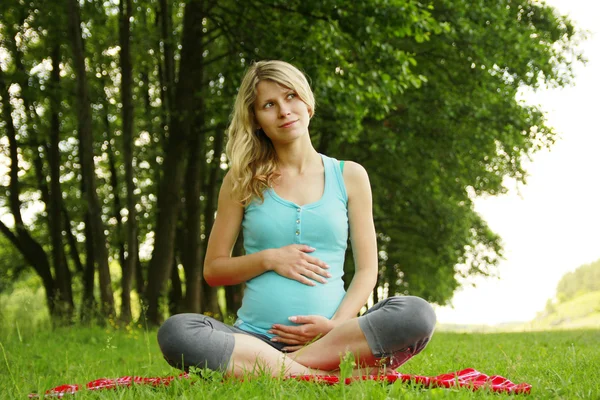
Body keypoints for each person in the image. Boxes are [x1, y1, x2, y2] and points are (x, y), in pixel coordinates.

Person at [157, 60, 436, 377]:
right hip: (252, 340)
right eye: (269, 105)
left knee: (416, 314)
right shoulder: (241, 180)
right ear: (257, 119)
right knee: (177, 332)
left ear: (307, 101)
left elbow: (368, 270)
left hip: (333, 338)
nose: (284, 111)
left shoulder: (350, 176)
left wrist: (335, 326)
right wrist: (270, 258)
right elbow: (214, 270)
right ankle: (320, 376)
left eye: (291, 97)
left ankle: (278, 370)